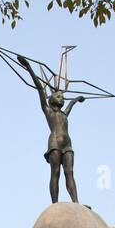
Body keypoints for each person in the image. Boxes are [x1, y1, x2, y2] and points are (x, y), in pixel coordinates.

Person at [17, 54, 86, 203]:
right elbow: (39, 88)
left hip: (67, 144)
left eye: (63, 97)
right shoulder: (47, 110)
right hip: (54, 143)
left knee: (70, 172)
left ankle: (76, 203)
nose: (62, 98)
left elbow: (71, 105)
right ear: (51, 98)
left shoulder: (64, 113)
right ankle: (55, 204)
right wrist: (28, 66)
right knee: (55, 172)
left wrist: (76, 99)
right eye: (58, 96)